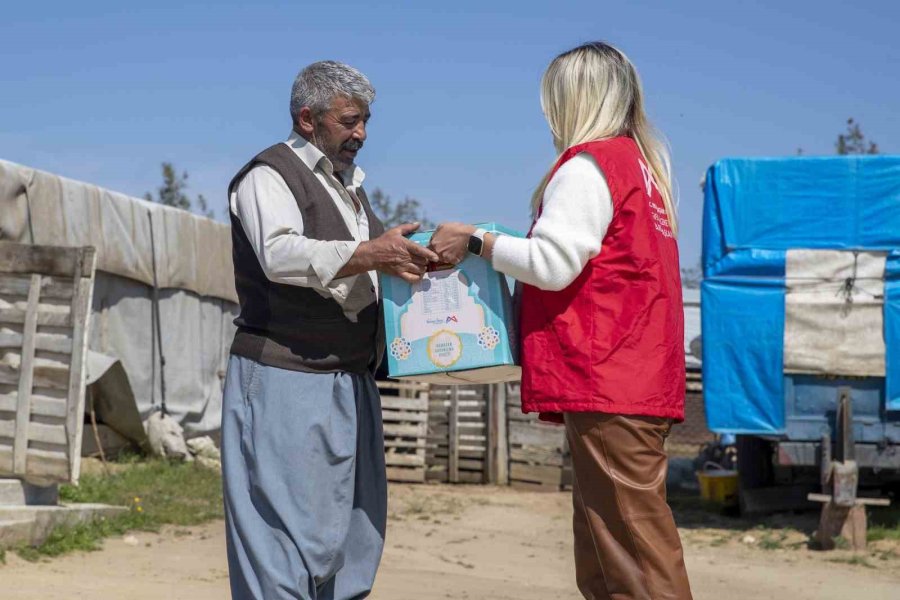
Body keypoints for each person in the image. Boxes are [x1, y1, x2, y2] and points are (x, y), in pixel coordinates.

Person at [430, 42, 693, 600]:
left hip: (608, 379)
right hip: (636, 376)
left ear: (576, 99)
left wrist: (476, 240)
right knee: (607, 550)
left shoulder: (590, 165)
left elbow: (551, 264)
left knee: (634, 557)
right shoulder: (642, 172)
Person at [221, 60, 438, 600]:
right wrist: (369, 253)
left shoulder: (351, 191)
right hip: (283, 376)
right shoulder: (267, 176)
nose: (361, 134)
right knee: (280, 542)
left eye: (366, 121)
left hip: (348, 378)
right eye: (349, 121)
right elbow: (279, 254)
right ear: (307, 118)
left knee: (351, 537)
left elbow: (361, 271)